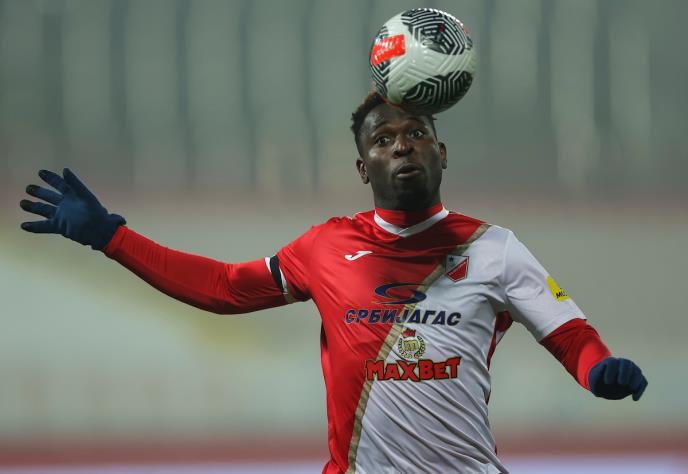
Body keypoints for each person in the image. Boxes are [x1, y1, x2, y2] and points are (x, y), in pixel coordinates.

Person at [19, 91, 647, 474]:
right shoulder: (326, 247)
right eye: (384, 139)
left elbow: (570, 335)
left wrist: (600, 370)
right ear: (363, 166)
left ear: (442, 153)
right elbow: (224, 287)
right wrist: (113, 238)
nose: (402, 146)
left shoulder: (493, 248)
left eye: (417, 134)